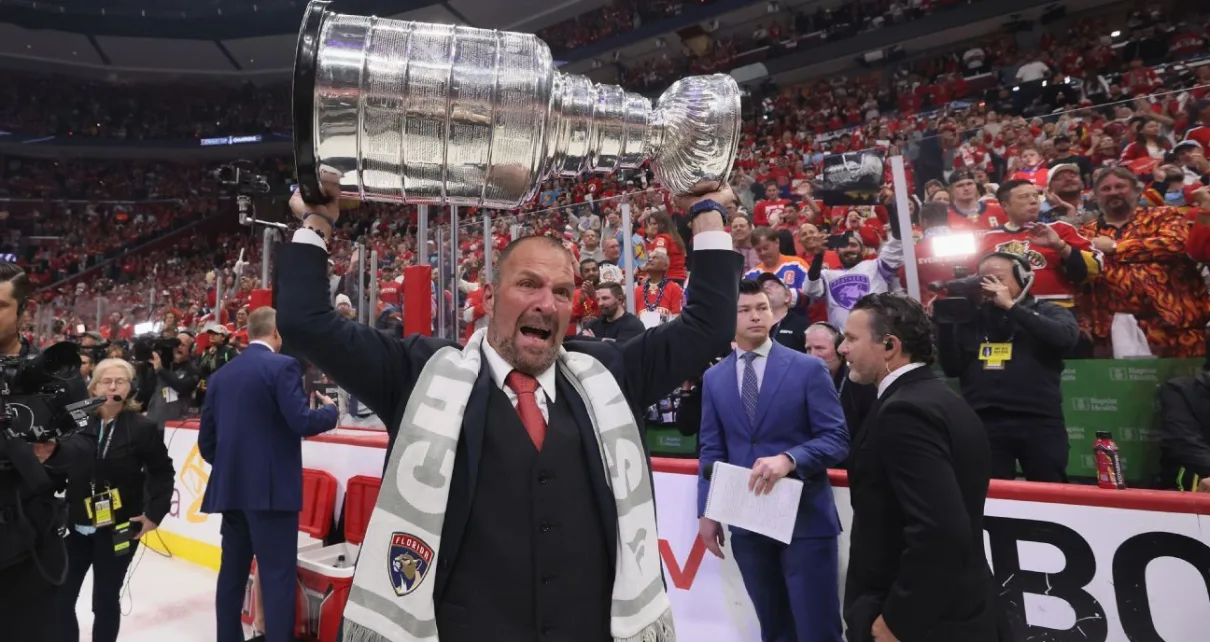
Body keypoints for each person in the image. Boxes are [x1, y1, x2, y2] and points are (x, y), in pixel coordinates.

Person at [280, 176, 740, 642]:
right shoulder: (419, 373)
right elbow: (304, 322)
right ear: (490, 296)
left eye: (562, 292)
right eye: (529, 284)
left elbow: (708, 326)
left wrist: (705, 212)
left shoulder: (608, 373)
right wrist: (317, 222)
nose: (547, 303)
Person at [839, 293, 998, 642]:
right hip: (956, 608)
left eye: (851, 338)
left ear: (890, 345)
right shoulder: (940, 399)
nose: (842, 349)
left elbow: (940, 529)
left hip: (925, 622)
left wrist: (898, 620)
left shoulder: (905, 412)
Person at [697, 279, 848, 642]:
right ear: (727, 318)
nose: (755, 316)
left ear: (773, 313)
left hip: (805, 520)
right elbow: (711, 452)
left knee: (818, 629)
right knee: (775, 628)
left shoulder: (808, 369)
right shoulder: (714, 379)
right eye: (744, 310)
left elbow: (837, 438)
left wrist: (790, 459)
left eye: (761, 308)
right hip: (748, 523)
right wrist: (707, 511)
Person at [199, 306, 340, 642]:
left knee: (232, 576)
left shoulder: (221, 376)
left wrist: (237, 469)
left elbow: (207, 443)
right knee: (276, 576)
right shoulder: (283, 366)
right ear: (277, 333)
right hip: (272, 494)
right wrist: (331, 412)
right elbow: (302, 421)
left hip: (232, 493)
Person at [0, 263, 96, 642]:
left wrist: (52, 451)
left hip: (32, 545)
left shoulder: (59, 375)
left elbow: (87, 441)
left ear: (24, 311)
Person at [58, 358, 175, 642]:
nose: (112, 386)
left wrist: (153, 514)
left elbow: (162, 471)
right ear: (93, 385)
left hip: (119, 528)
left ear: (130, 387)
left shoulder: (142, 426)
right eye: (106, 381)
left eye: (119, 381)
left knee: (106, 601)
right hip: (75, 525)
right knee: (60, 600)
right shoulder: (75, 417)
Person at [936, 252, 1079, 482]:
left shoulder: (1049, 310)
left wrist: (1012, 307)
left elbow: (1065, 339)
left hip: (1038, 420)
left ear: (1022, 279)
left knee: (1048, 492)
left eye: (999, 279)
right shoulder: (973, 319)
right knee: (991, 496)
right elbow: (953, 367)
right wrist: (944, 325)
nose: (990, 286)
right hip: (984, 420)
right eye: (984, 279)